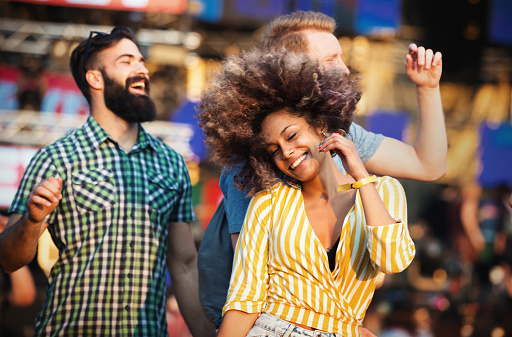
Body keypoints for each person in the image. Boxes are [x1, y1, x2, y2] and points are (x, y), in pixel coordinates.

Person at [0, 27, 215, 336]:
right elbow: (8, 260)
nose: (142, 69)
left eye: (141, 61)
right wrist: (32, 222)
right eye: (127, 61)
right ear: (95, 78)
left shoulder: (171, 163)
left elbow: (183, 264)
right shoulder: (56, 158)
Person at [198, 48, 416, 336]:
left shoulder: (384, 191)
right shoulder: (268, 204)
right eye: (273, 150)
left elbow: (393, 260)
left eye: (292, 136)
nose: (287, 152)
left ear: (321, 126)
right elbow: (244, 300)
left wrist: (361, 177)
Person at [221, 10, 445, 248]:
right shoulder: (250, 158)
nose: (345, 69)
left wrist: (428, 89)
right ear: (294, 71)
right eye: (331, 60)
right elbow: (247, 268)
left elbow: (428, 166)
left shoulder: (341, 132)